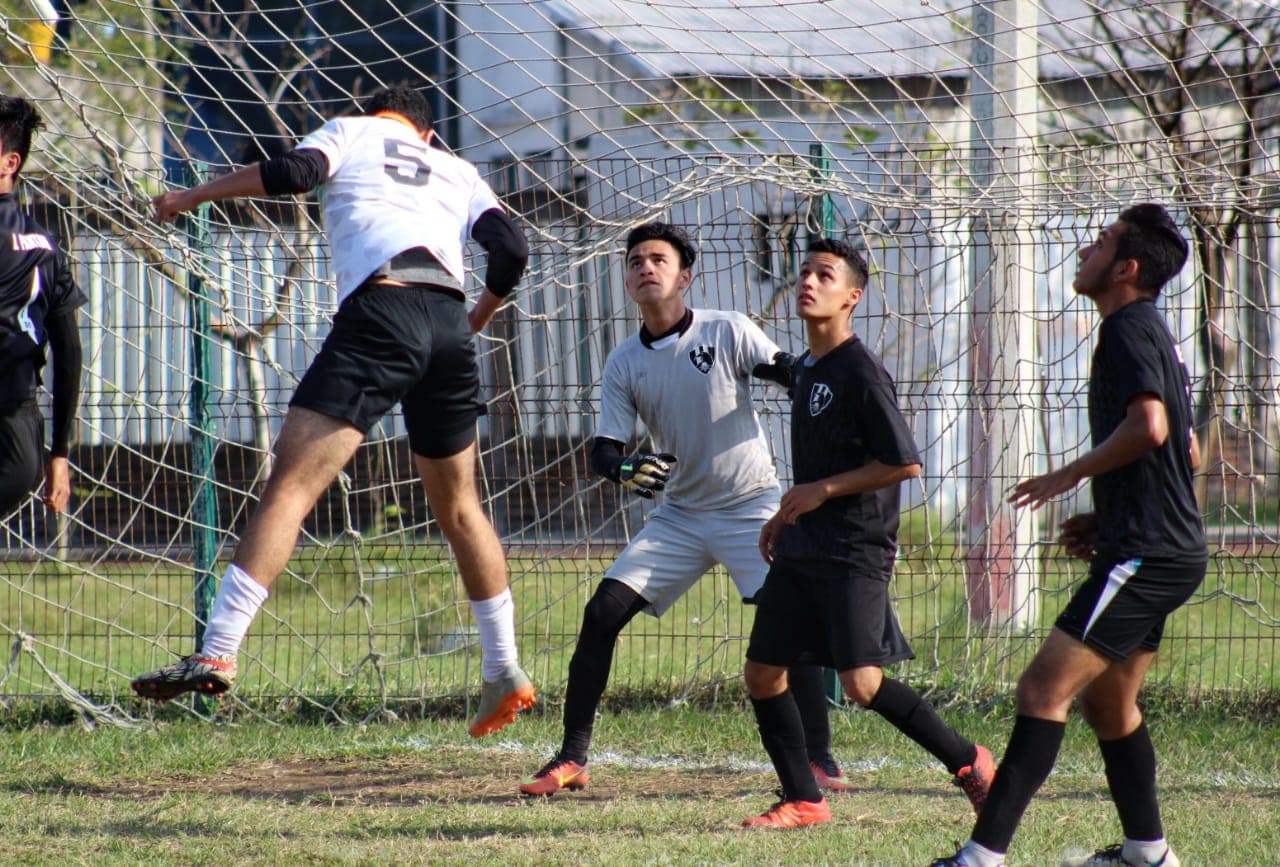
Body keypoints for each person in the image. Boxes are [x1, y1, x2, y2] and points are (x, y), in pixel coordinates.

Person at [131, 86, 537, 738]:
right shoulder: (459, 170)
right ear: (427, 134)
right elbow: (512, 249)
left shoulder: (352, 131)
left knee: (291, 488)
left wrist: (189, 195)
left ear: (379, 115)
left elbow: (295, 173)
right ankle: (504, 666)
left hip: (382, 312)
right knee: (462, 509)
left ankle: (218, 648)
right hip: (447, 329)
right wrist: (472, 321)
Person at [519, 222, 849, 797]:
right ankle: (572, 756)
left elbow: (787, 372)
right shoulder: (624, 361)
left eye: (658, 259)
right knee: (601, 615)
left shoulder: (728, 329)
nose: (646, 267)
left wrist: (819, 389)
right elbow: (604, 450)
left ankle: (820, 760)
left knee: (789, 625)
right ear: (626, 280)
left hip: (751, 508)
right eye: (636, 261)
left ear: (684, 276)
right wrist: (623, 468)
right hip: (679, 517)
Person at [932, 204, 1204, 867]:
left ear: (1126, 268)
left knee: (1040, 691)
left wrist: (1068, 476)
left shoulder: (1125, 331)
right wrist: (1109, 513)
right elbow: (1189, 452)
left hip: (1147, 554)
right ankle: (1149, 853)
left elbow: (1153, 429)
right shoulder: (1153, 333)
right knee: (1110, 707)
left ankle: (980, 858)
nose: (1088, 245)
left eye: (1104, 240)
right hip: (1153, 546)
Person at [742, 237, 993, 829]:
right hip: (806, 545)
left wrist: (821, 493)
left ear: (852, 296)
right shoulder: (808, 369)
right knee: (762, 673)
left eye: (824, 275)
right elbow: (817, 471)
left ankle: (969, 761)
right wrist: (787, 513)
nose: (808, 281)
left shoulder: (860, 371)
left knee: (861, 683)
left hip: (854, 548)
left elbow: (903, 462)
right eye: (803, 271)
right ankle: (804, 797)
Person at [0, 95, 83, 520]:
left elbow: (68, 350)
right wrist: (59, 454)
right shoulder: (45, 244)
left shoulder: (45, 250)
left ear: (9, 163)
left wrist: (60, 453)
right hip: (21, 439)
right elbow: (70, 352)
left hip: (13, 426)